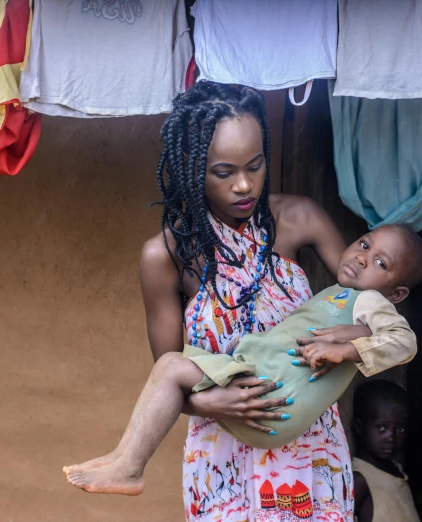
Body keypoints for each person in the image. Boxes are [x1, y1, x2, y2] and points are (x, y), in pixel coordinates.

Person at [62, 81, 376, 520]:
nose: (245, 186)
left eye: (256, 165)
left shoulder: (300, 218)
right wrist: (212, 403)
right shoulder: (166, 257)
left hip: (309, 444)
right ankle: (125, 465)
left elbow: (370, 313)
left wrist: (351, 339)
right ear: (192, 169)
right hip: (224, 446)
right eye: (224, 172)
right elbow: (169, 375)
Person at [64, 224, 422, 494]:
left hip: (271, 392)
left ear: (396, 293)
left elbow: (404, 341)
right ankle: (122, 458)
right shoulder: (341, 296)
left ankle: (130, 467)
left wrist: (348, 348)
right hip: (260, 382)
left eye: (380, 262)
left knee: (172, 367)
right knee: (169, 367)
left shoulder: (370, 302)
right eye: (364, 243)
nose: (363, 256)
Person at [352, 380, 420, 522]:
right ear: (359, 427)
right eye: (381, 427)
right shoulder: (360, 479)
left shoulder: (396, 470)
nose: (391, 437)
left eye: (400, 429)